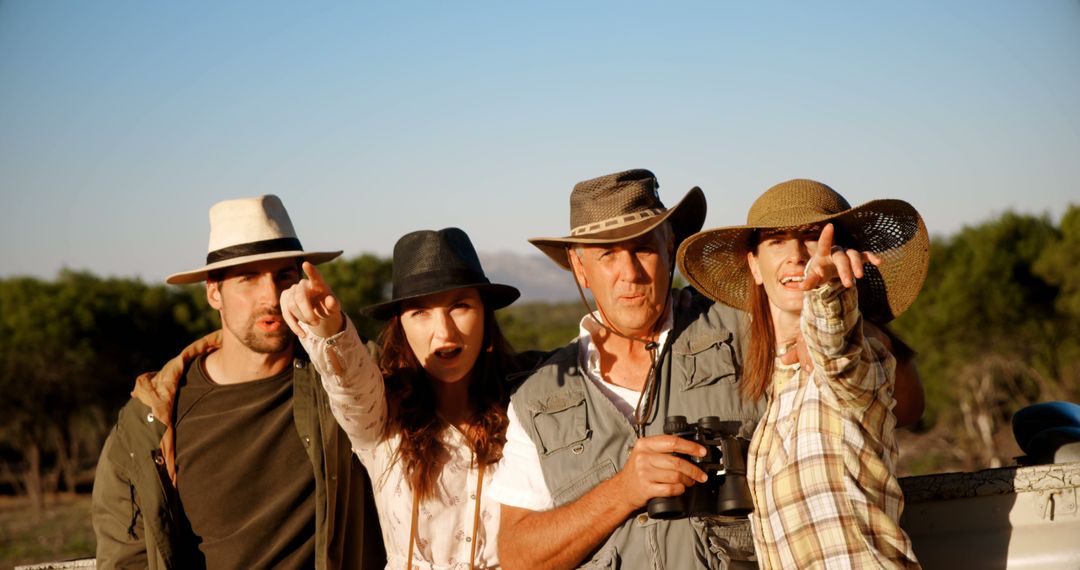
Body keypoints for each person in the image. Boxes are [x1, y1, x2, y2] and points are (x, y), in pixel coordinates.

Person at [491, 169, 767, 569]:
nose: (631, 273)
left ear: (670, 247)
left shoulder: (747, 332)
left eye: (643, 249)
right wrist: (624, 491)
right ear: (580, 268)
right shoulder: (535, 398)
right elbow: (517, 557)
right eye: (607, 255)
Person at [91, 195, 385, 569]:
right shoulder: (147, 426)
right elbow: (125, 558)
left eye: (284, 276)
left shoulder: (344, 381)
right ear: (214, 292)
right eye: (248, 279)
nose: (271, 297)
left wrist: (335, 335)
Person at [678, 178, 928, 568]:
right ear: (754, 267)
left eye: (813, 237)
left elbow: (836, 348)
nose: (796, 254)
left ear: (845, 255)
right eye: (776, 240)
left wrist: (827, 289)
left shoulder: (864, 354)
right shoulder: (777, 385)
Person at [279, 227, 537, 569]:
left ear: (485, 314)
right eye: (420, 312)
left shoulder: (529, 410)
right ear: (400, 324)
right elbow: (349, 383)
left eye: (460, 306)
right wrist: (328, 327)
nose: (444, 331)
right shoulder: (383, 420)